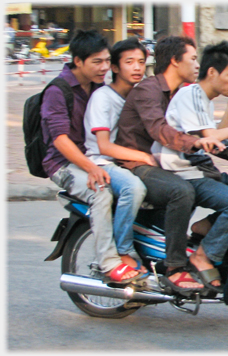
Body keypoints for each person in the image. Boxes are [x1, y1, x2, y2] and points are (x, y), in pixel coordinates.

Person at [151, 40, 228, 291]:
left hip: (197, 168)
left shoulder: (203, 98)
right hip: (180, 171)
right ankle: (202, 256)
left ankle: (203, 228)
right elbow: (213, 137)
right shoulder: (190, 94)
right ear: (212, 73)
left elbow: (214, 135)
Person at [115, 36, 224, 294]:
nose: (198, 64)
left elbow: (205, 127)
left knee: (223, 184)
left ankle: (198, 244)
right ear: (175, 61)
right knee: (181, 191)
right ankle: (175, 268)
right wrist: (194, 143)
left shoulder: (182, 94)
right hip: (137, 163)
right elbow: (159, 130)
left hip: (166, 162)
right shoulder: (148, 90)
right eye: (193, 58)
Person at [40, 29, 145, 284]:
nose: (104, 67)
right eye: (97, 62)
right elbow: (60, 139)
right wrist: (91, 167)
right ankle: (110, 262)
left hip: (92, 157)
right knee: (100, 191)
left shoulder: (97, 86)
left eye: (107, 61)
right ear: (78, 61)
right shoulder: (58, 90)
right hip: (63, 164)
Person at [84, 36, 156, 275]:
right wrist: (142, 156)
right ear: (115, 67)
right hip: (103, 161)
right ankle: (123, 250)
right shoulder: (103, 97)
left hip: (127, 161)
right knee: (133, 188)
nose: (137, 67)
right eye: (129, 62)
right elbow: (103, 146)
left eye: (141, 62)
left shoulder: (137, 96)